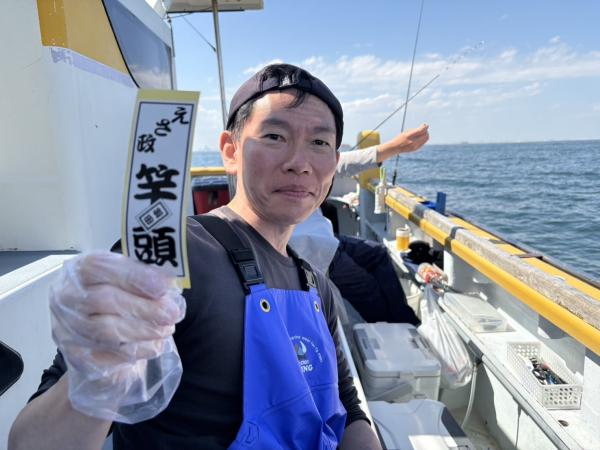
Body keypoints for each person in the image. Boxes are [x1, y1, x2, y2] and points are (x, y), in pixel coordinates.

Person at [8, 64, 382, 450]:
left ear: (335, 163)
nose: (299, 162)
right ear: (231, 151)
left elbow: (348, 409)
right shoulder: (175, 257)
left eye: (319, 143)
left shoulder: (317, 285)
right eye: (274, 136)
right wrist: (100, 365)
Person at [289, 125, 429, 325]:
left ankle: (406, 320)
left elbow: (338, 164)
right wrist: (395, 147)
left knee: (378, 253)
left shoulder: (302, 162)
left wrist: (395, 147)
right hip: (313, 252)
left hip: (329, 239)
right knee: (369, 290)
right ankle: (391, 327)